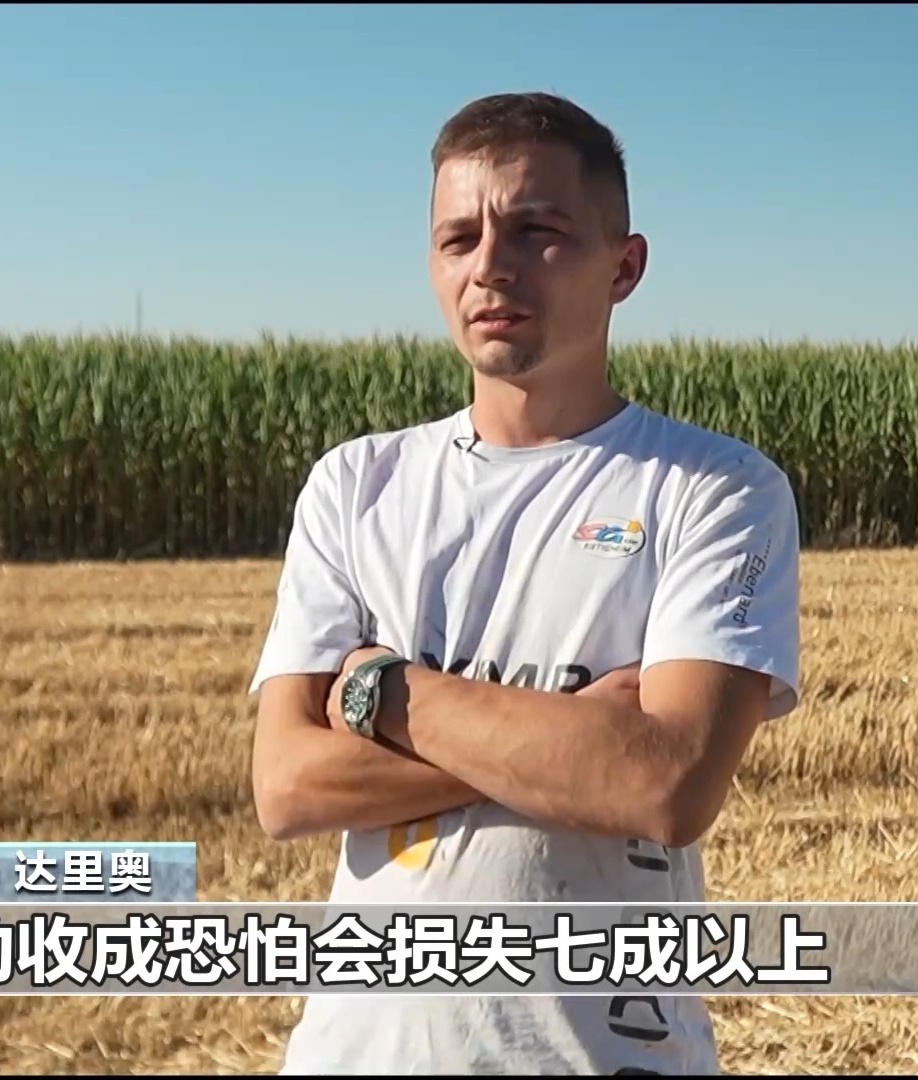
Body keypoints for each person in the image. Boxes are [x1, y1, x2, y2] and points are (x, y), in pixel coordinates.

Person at [247, 90, 804, 1075]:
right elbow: (288, 786)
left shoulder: (713, 489)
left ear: (624, 266)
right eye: (458, 238)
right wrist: (575, 735)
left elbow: (665, 784)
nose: (491, 266)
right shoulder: (356, 485)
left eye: (537, 231)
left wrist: (383, 693)